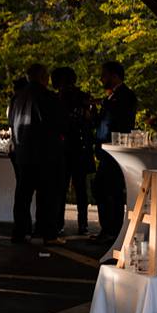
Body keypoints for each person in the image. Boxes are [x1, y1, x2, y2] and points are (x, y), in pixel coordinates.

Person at [8, 63, 67, 244]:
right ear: (43, 77)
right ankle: (48, 233)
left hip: (23, 152)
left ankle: (20, 232)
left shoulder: (17, 98)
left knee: (23, 195)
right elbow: (57, 124)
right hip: (45, 154)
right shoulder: (47, 97)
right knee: (48, 195)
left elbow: (11, 122)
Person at [93, 60, 138, 240]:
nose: (101, 78)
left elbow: (122, 120)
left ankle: (114, 231)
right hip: (105, 151)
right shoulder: (110, 97)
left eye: (104, 75)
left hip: (116, 151)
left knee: (112, 191)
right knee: (102, 189)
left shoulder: (125, 95)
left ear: (114, 75)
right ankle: (107, 230)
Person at [51, 66, 94, 236]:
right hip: (80, 147)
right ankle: (82, 224)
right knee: (80, 188)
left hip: (64, 148)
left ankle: (59, 223)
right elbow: (89, 121)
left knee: (61, 188)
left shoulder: (57, 99)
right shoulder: (83, 97)